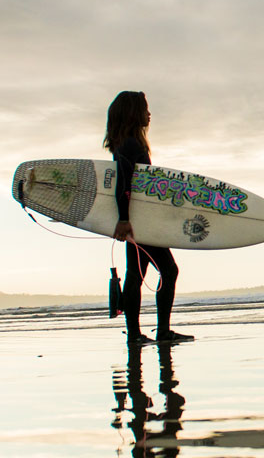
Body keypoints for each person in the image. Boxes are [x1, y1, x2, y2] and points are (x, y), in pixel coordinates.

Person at [104, 91, 190, 344]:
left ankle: (136, 335)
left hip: (138, 219)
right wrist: (123, 219)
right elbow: (124, 182)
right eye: (145, 109)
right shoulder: (130, 144)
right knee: (168, 270)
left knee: (135, 275)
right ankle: (158, 331)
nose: (149, 114)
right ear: (132, 113)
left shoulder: (127, 143)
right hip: (140, 221)